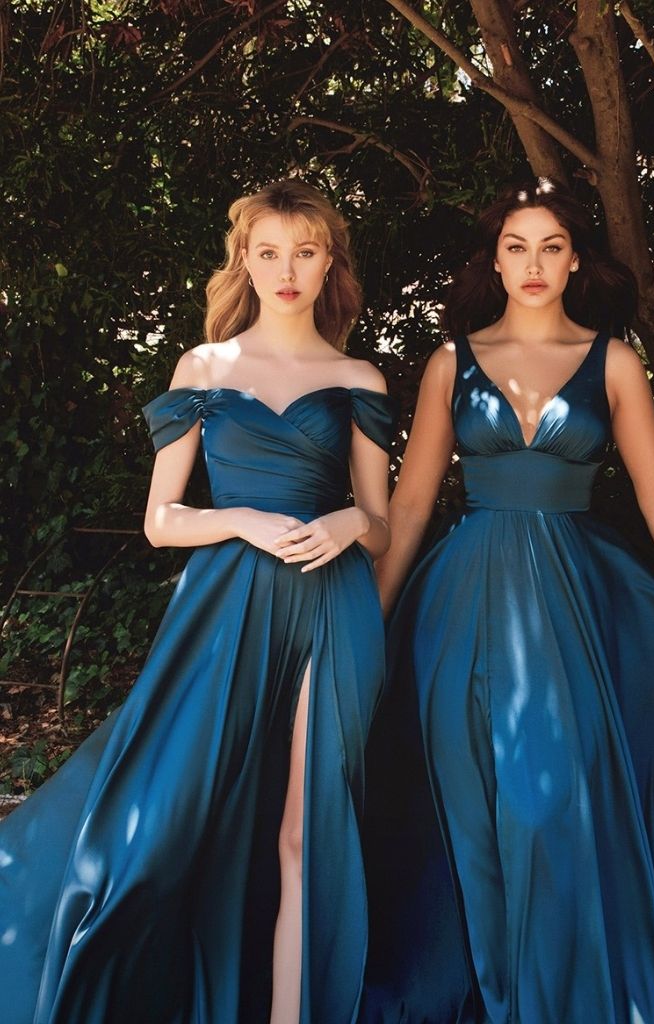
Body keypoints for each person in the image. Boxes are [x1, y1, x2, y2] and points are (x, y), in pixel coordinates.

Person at [0, 178, 396, 1024]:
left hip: (333, 611)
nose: (286, 270)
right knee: (166, 834)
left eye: (305, 252)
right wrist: (245, 518)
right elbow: (160, 521)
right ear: (244, 263)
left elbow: (384, 525)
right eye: (269, 253)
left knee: (307, 832)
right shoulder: (205, 368)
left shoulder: (358, 375)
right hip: (226, 612)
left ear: (330, 263)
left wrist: (342, 519)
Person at [362, 178, 654, 1024]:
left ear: (576, 261)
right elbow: (413, 503)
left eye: (551, 247)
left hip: (579, 596)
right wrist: (371, 616)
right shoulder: (450, 361)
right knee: (475, 801)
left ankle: (566, 993)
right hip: (466, 598)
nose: (533, 265)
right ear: (494, 261)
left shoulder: (614, 360)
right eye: (517, 247)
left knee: (552, 802)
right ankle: (493, 989)